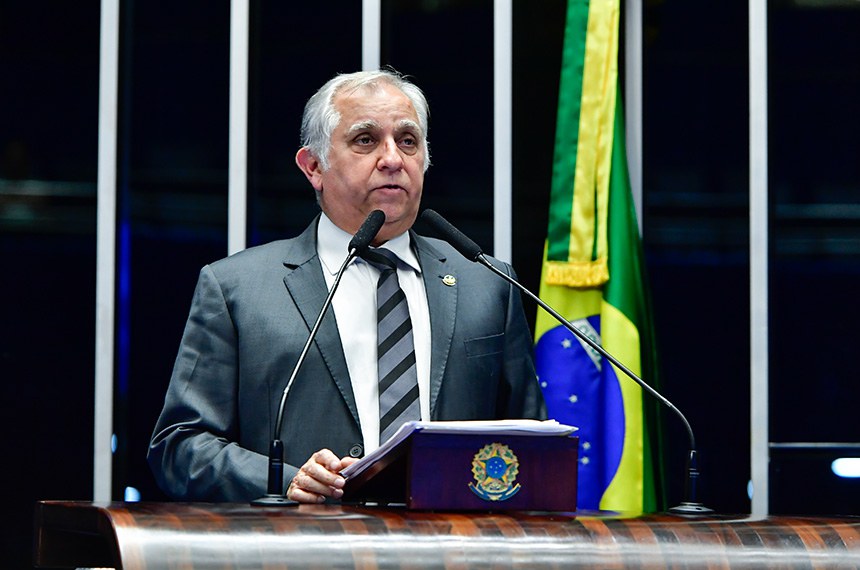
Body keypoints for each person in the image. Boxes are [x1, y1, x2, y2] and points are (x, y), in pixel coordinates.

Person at [147, 69, 545, 504]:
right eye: (365, 140)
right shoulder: (237, 289)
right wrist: (286, 481)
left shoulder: (487, 285)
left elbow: (534, 448)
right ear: (313, 166)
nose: (393, 158)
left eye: (408, 141)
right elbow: (179, 448)